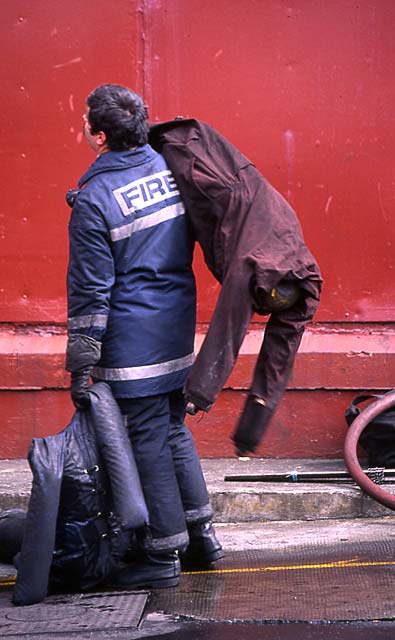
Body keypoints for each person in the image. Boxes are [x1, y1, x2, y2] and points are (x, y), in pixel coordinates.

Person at [65, 84, 223, 590]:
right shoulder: (168, 167)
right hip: (176, 324)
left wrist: (81, 361)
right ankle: (201, 537)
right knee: (173, 427)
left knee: (147, 437)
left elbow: (91, 291)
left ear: (99, 135)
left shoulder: (94, 198)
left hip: (133, 337)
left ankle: (162, 553)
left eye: (86, 120)